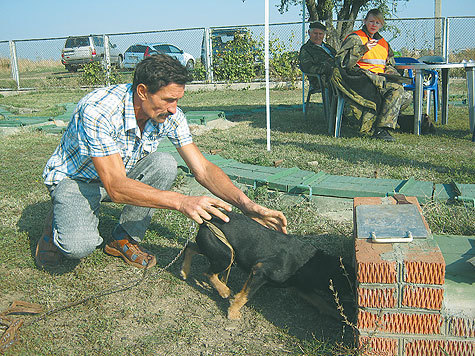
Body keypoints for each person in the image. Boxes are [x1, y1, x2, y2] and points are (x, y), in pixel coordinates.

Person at [36, 54, 288, 270]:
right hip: (76, 182)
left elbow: (202, 168)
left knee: (164, 163)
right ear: (143, 91)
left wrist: (246, 204)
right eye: (168, 100)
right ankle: (55, 221)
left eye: (178, 100)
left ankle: (122, 239)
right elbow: (115, 186)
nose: (173, 109)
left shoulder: (169, 115)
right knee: (78, 247)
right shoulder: (98, 110)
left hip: (117, 176)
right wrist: (181, 201)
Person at [331, 9, 406, 141]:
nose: (374, 25)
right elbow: (341, 62)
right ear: (365, 21)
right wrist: (363, 49)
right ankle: (381, 130)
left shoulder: (384, 43)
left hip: (380, 78)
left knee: (406, 96)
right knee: (396, 91)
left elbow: (389, 64)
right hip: (361, 79)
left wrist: (393, 75)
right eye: (371, 21)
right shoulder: (355, 38)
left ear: (381, 25)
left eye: (378, 22)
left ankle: (380, 125)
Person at [299, 22, 337, 91]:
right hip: (322, 80)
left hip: (337, 74)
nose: (318, 37)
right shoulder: (306, 49)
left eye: (320, 34)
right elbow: (307, 68)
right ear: (309, 33)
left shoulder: (328, 47)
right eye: (315, 33)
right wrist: (327, 68)